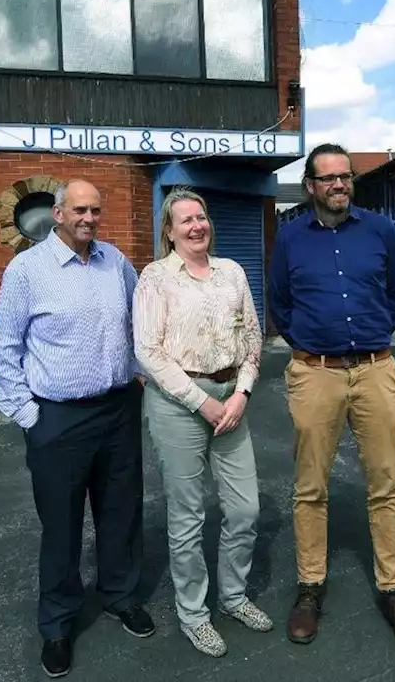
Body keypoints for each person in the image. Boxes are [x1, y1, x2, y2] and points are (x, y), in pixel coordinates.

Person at [0, 178, 154, 679]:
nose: (89, 218)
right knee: (61, 526)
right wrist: (29, 416)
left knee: (121, 512)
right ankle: (58, 624)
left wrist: (140, 371)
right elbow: (4, 350)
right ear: (57, 214)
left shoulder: (115, 262)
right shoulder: (26, 270)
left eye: (95, 210)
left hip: (117, 410)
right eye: (79, 210)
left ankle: (120, 595)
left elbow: (137, 320)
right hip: (57, 418)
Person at [267, 144, 395, 653]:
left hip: (378, 372)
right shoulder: (290, 237)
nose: (339, 185)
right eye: (328, 178)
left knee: (386, 485)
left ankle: (393, 591)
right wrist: (308, 347)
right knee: (309, 487)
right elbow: (280, 303)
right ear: (311, 186)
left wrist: (381, 331)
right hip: (316, 373)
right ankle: (310, 587)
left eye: (345, 177)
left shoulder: (380, 231)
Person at [132, 187, 273, 658]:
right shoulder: (155, 278)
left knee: (244, 509)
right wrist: (202, 403)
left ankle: (232, 597)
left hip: (230, 397)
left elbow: (253, 336)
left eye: (201, 217)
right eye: (185, 220)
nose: (197, 226)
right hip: (178, 403)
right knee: (188, 515)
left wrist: (242, 391)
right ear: (169, 232)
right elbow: (147, 352)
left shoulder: (231, 272)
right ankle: (194, 614)